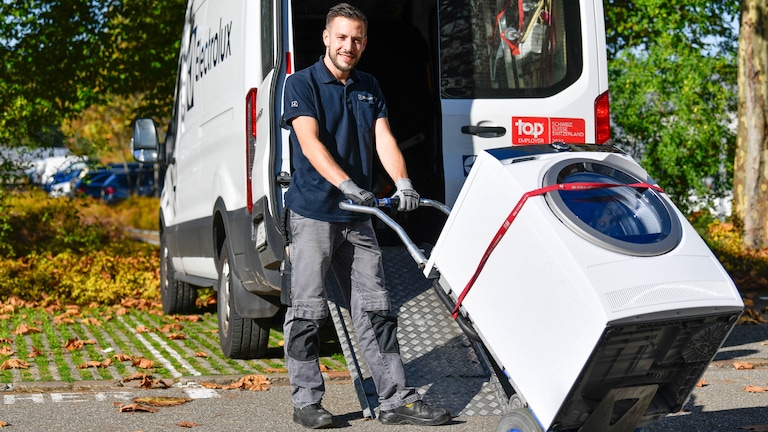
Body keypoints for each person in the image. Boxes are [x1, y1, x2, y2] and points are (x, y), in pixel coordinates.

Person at [281, 2, 451, 429]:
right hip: (314, 214)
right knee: (307, 309)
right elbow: (310, 143)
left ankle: (395, 400)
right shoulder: (300, 83)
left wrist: (404, 183)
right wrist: (345, 184)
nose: (348, 45)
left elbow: (384, 138)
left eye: (356, 39)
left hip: (358, 216)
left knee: (376, 308)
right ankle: (307, 403)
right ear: (325, 37)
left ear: (365, 43)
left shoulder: (369, 85)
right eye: (341, 37)